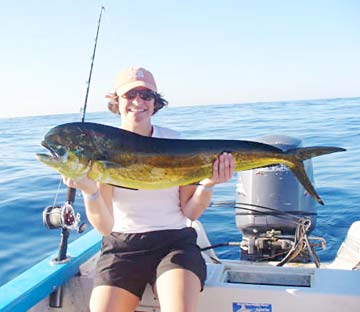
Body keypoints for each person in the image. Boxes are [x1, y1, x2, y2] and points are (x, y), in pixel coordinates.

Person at [63, 67, 235, 312]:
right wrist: (89, 191)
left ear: (156, 103)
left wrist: (207, 184)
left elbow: (191, 213)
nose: (138, 102)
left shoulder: (175, 142)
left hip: (174, 243)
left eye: (146, 95)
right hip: (122, 248)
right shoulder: (104, 147)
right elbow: (104, 227)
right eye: (130, 94)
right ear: (116, 101)